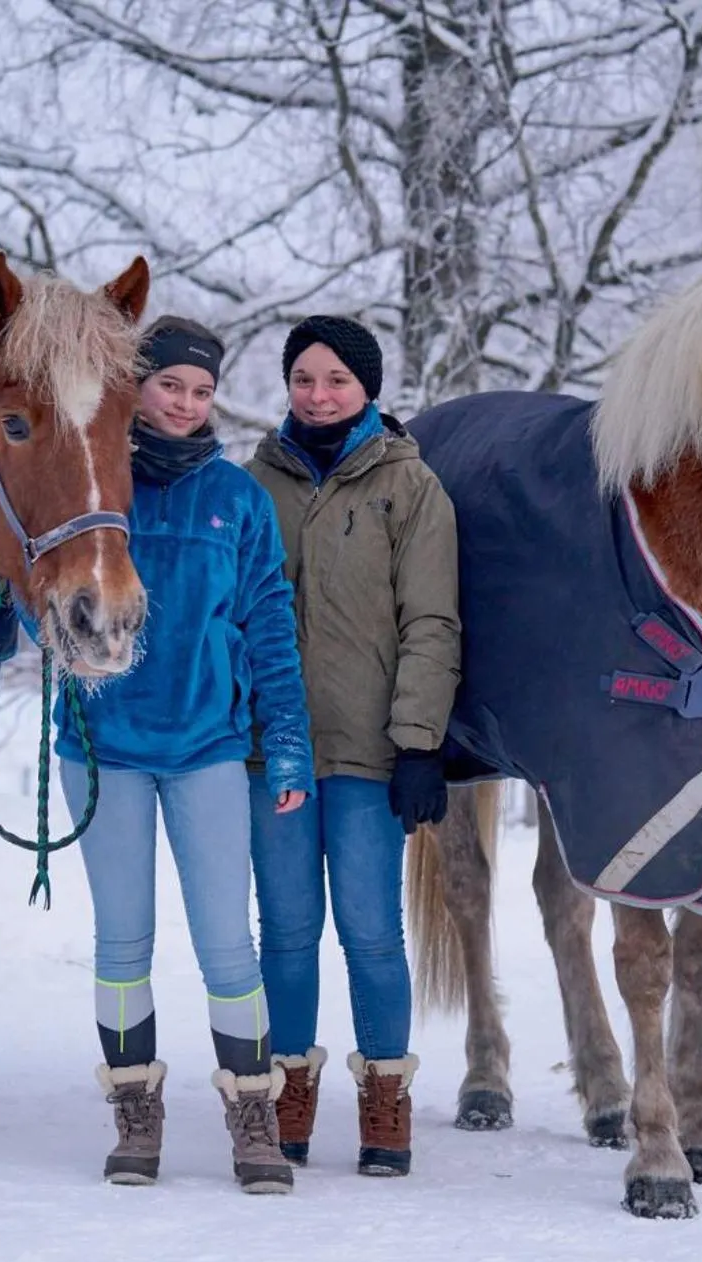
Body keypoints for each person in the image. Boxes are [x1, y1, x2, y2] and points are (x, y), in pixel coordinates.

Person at [59, 315, 315, 1195]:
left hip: (207, 747)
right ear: (136, 387)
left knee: (227, 943)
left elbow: (269, 626)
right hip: (104, 749)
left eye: (202, 391)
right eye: (170, 384)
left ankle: (253, 1117)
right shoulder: (96, 481)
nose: (185, 403)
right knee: (122, 938)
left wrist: (287, 744)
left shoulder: (237, 499)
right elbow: (38, 586)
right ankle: (135, 1112)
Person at [244, 315, 460, 1177]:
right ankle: (288, 1091)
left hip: (372, 755)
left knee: (371, 933)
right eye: (304, 378)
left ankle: (384, 1098)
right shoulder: (254, 483)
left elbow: (431, 622)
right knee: (287, 932)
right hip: (274, 754)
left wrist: (419, 742)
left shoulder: (410, 487)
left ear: (368, 387)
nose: (319, 394)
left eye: (337, 379)